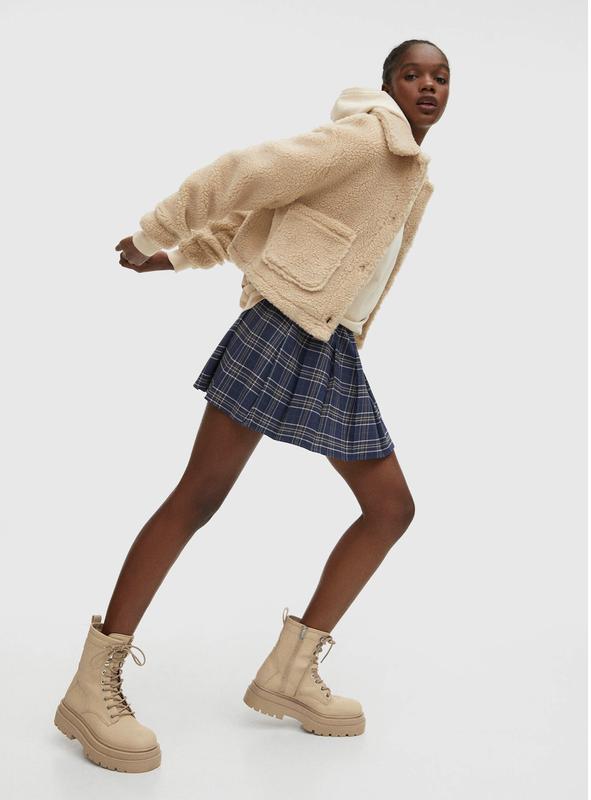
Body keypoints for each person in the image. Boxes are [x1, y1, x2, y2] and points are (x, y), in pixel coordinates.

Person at [54, 39, 450, 771]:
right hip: (278, 329)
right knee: (199, 496)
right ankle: (90, 687)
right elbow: (246, 175)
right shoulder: (367, 141)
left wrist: (181, 256)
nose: (427, 87)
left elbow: (270, 218)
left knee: (390, 508)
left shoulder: (409, 173)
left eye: (440, 77)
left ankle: (288, 675)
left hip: (328, 345)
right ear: (388, 85)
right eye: (412, 75)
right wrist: (157, 235)